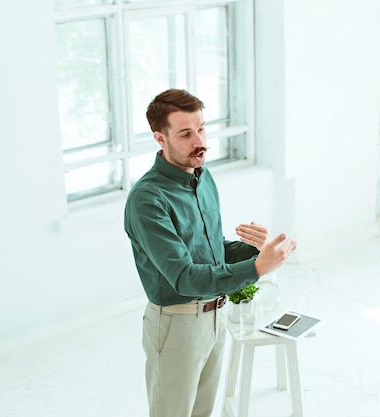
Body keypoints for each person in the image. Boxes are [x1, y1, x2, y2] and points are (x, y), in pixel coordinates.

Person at [124, 88, 297, 417]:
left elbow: (211, 251)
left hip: (216, 318)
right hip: (177, 324)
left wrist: (253, 249)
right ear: (160, 138)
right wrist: (257, 268)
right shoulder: (147, 200)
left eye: (202, 128)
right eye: (186, 133)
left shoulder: (202, 178)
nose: (199, 141)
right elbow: (185, 277)